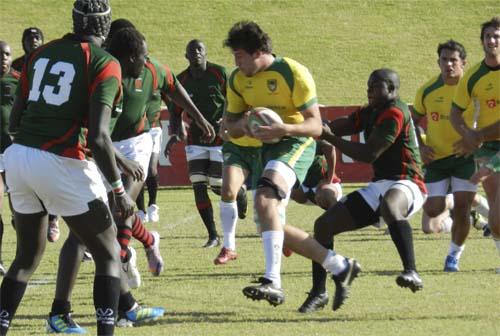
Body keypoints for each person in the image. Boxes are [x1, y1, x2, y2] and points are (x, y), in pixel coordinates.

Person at [0, 1, 133, 335]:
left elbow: (15, 119)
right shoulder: (106, 62)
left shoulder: (40, 53)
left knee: (26, 258)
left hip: (18, 156)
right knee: (108, 251)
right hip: (61, 159)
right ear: (106, 25)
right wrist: (119, 192)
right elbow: (100, 137)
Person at [224, 21, 360, 310]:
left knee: (264, 197)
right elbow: (228, 127)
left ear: (257, 52)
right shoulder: (237, 79)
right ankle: (341, 266)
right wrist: (245, 125)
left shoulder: (292, 73)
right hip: (267, 148)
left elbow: (315, 125)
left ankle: (272, 280)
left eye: (239, 56)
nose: (236, 62)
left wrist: (283, 128)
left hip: (296, 143)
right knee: (270, 222)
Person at [44, 26, 167, 333]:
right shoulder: (105, 73)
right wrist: (120, 166)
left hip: (77, 159)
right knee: (81, 237)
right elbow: (95, 133)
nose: (145, 59)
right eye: (141, 54)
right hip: (79, 160)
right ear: (127, 56)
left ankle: (127, 305)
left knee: (100, 235)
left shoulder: (118, 73)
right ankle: (60, 313)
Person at [304, 68, 426, 313]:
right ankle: (319, 292)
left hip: (409, 181)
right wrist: (316, 125)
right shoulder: (370, 111)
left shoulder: (395, 112)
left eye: (376, 87)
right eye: (368, 86)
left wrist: (330, 138)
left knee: (391, 206)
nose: (369, 91)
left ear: (391, 90)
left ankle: (411, 271)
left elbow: (369, 154)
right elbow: (345, 124)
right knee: (323, 226)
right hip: (380, 185)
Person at [412, 40, 490, 271]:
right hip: (436, 160)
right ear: (438, 62)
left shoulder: (472, 88)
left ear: (463, 63)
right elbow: (412, 121)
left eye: (453, 60)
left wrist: (476, 141)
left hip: (466, 157)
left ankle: (453, 256)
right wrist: (421, 148)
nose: (448, 64)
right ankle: (470, 204)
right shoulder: (427, 90)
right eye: (444, 60)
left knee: (463, 209)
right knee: (433, 210)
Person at [168, 39, 246, 248]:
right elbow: (175, 111)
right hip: (195, 139)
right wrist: (176, 130)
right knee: (198, 183)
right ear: (186, 56)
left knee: (217, 185)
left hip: (220, 137)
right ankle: (212, 235)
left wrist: (227, 119)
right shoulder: (182, 79)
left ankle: (239, 191)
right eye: (191, 51)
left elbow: (235, 99)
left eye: (199, 49)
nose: (196, 53)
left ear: (206, 52)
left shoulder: (219, 73)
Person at [450, 16, 500, 272]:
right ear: (482, 42)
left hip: (488, 141)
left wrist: (478, 135)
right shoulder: (473, 76)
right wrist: (468, 134)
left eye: (496, 36)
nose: (492, 40)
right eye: (488, 36)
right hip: (488, 148)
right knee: (495, 206)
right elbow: (455, 112)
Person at [0, 41, 19, 276]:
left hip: (14, 153)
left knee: (19, 212)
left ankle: (22, 257)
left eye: (6, 54)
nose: (3, 58)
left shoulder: (18, 80)